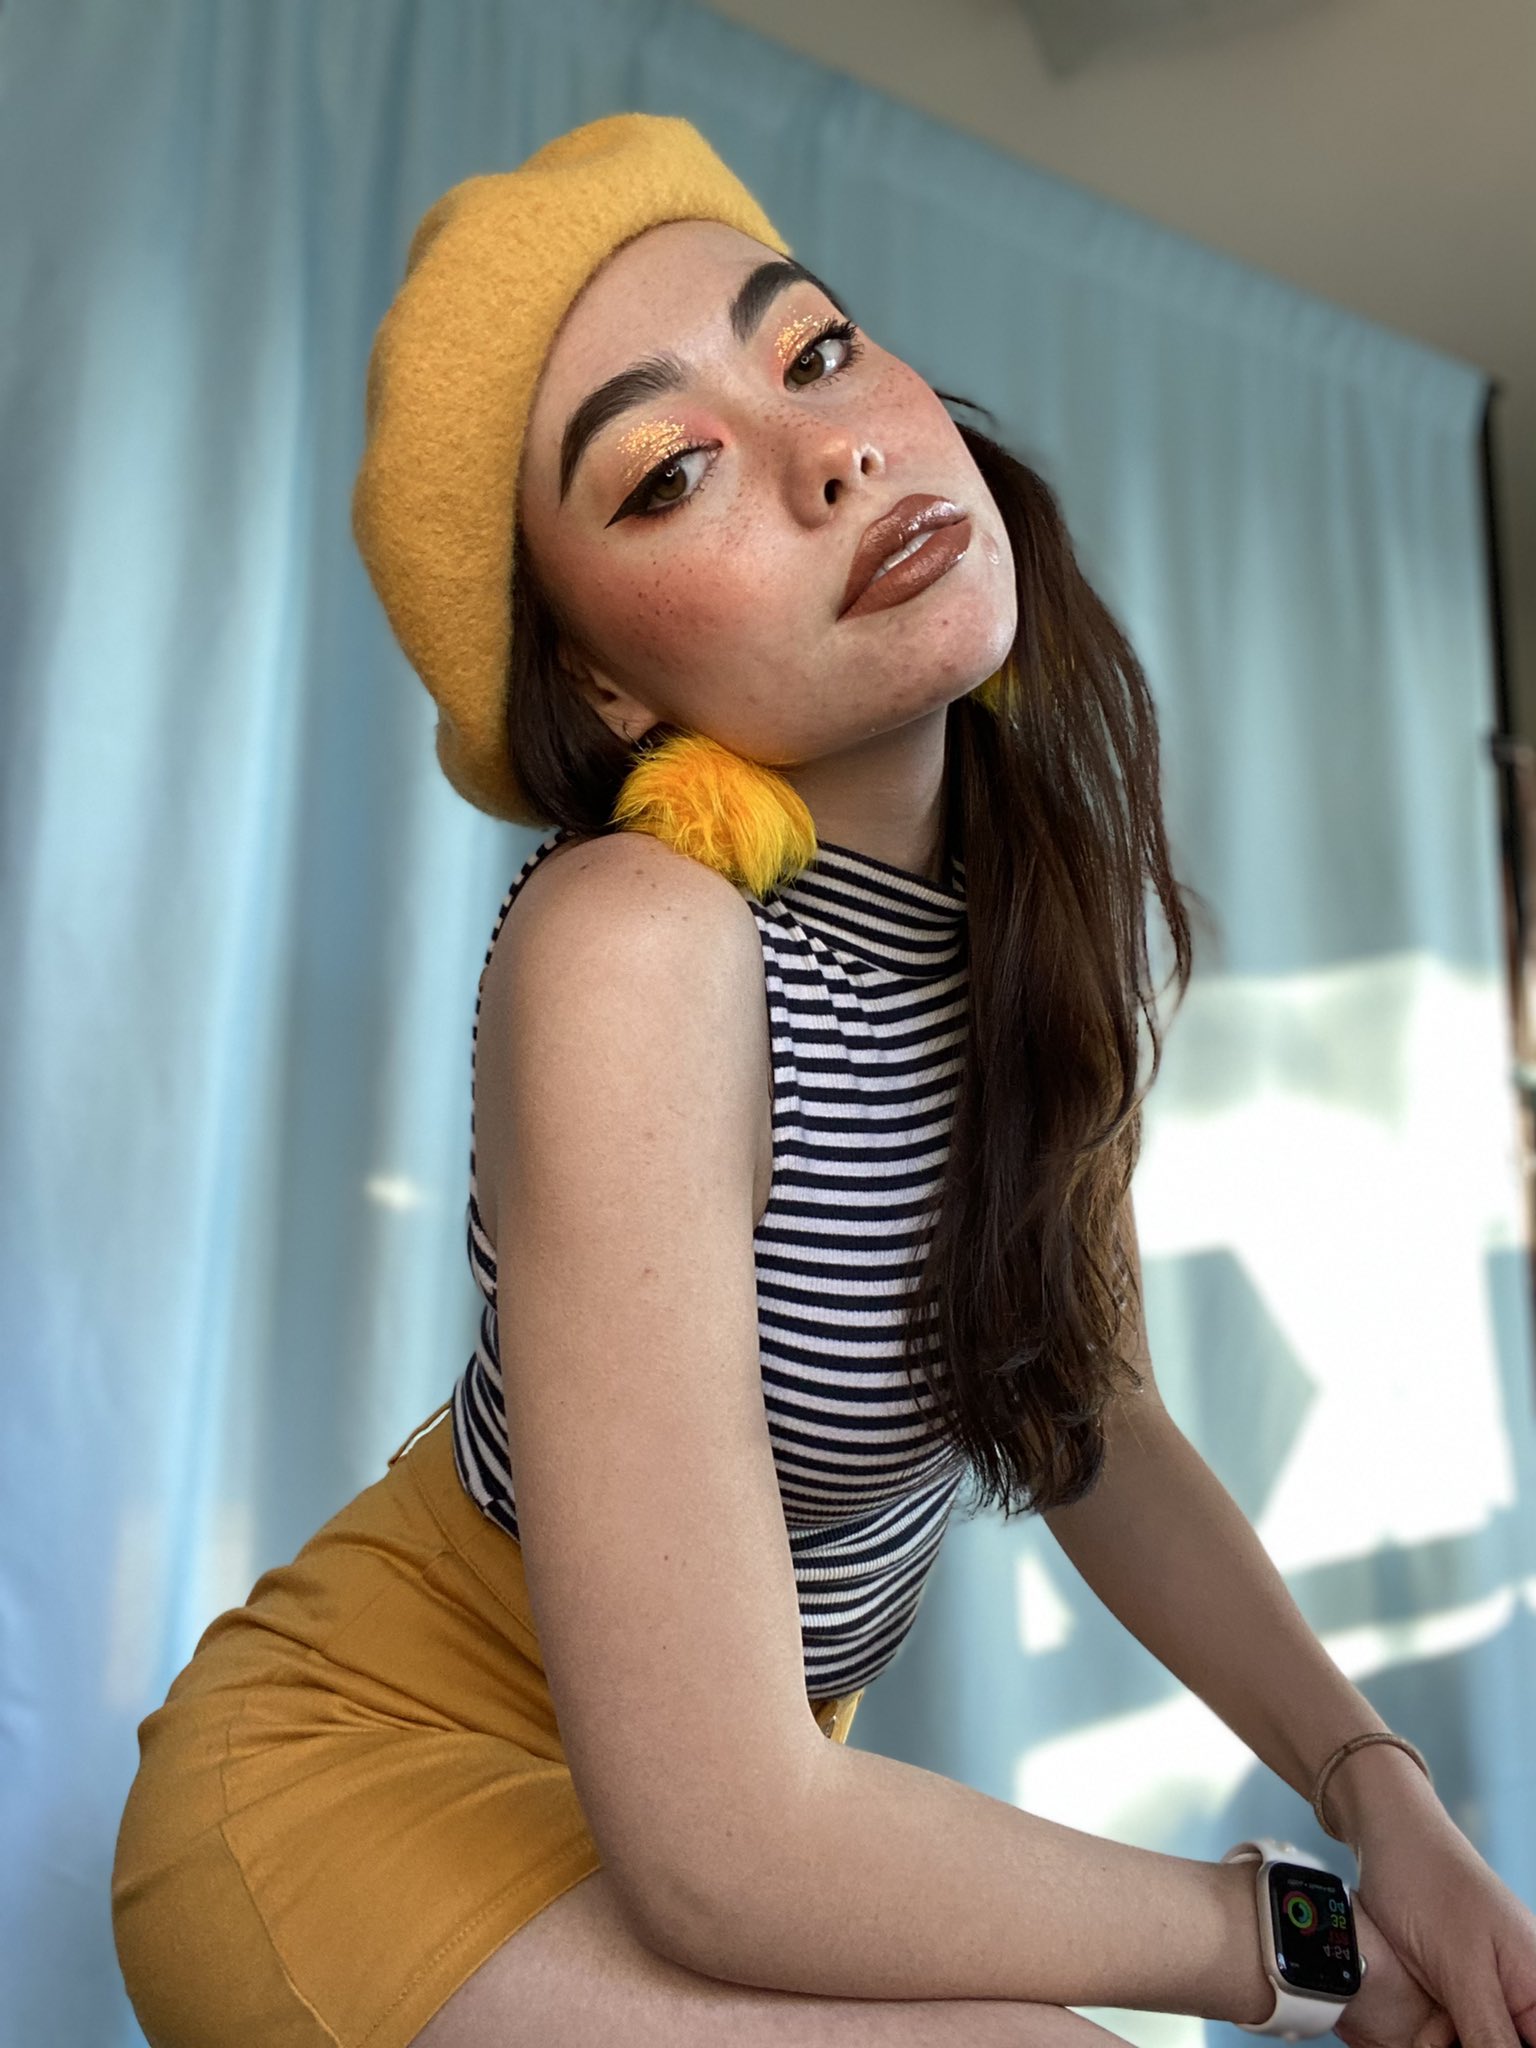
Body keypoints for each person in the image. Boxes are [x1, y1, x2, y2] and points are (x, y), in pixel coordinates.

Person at [110, 112, 1536, 2048]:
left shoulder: (1018, 925)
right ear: (602, 687)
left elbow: (1091, 1414)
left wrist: (1386, 1798)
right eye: (669, 470)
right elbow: (731, 1844)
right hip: (366, 1774)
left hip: (715, 1808)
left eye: (816, 350)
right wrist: (1313, 1944)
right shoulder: (641, 939)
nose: (831, 453)